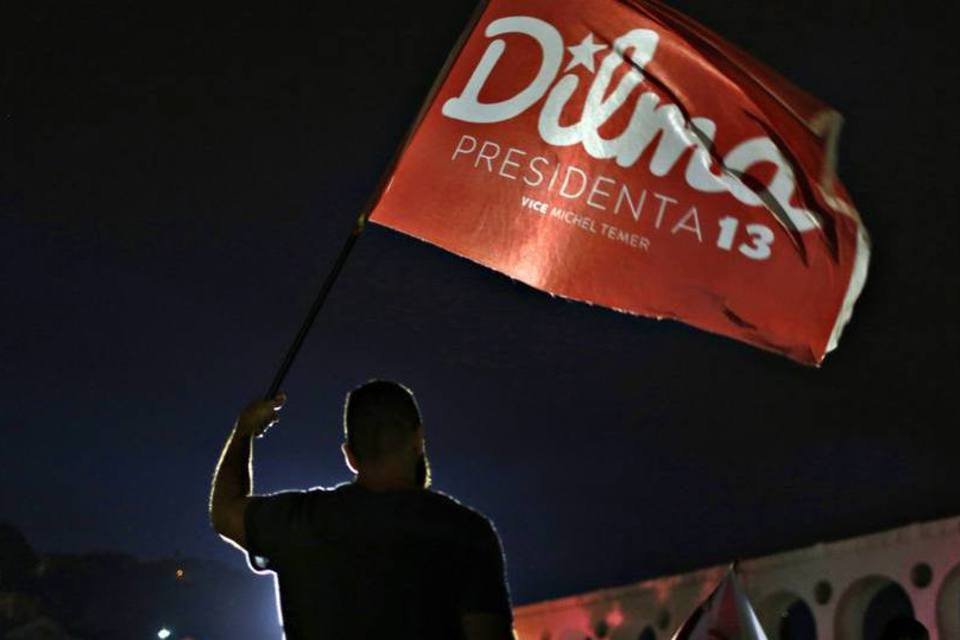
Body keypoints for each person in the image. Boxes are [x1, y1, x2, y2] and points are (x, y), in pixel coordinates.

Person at [209, 380, 514, 639]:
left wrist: (244, 431)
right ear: (418, 440)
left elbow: (224, 511)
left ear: (350, 456)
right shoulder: (469, 534)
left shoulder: (301, 521)